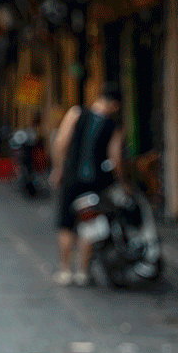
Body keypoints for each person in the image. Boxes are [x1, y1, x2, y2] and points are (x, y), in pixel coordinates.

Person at [49, 84, 125, 286]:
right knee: (88, 224)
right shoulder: (113, 126)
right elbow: (115, 158)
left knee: (66, 224)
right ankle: (83, 271)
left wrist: (58, 169)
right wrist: (122, 182)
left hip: (71, 179)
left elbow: (60, 142)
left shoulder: (77, 113)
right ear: (115, 105)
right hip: (95, 183)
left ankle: (65, 270)